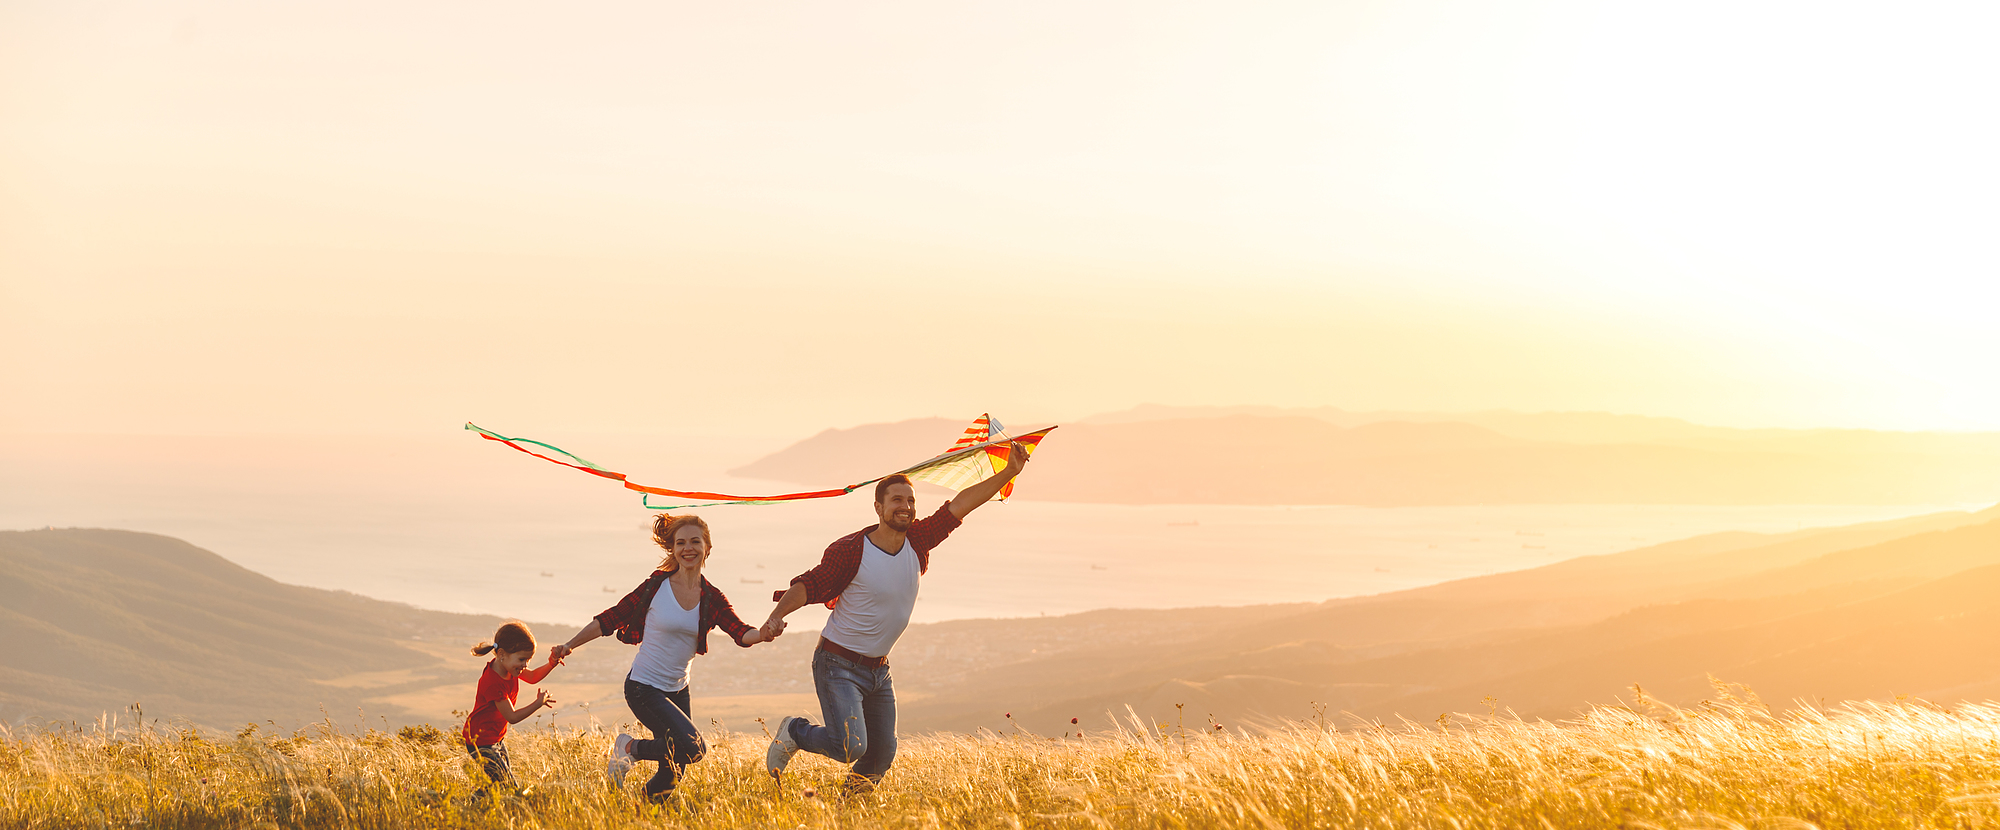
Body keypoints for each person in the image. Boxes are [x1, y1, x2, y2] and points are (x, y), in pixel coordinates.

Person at [759, 442, 1031, 791]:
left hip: (878, 670)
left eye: (911, 501)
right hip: (837, 664)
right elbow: (811, 584)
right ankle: (794, 731)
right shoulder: (852, 550)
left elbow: (962, 504)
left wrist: (1009, 472)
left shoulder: (918, 540)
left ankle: (848, 809)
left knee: (882, 752)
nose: (906, 507)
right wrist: (775, 617)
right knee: (850, 747)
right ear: (878, 507)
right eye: (897, 500)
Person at [548, 514, 781, 801]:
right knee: (694, 749)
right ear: (672, 549)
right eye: (680, 543)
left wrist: (764, 633)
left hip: (678, 689)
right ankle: (630, 748)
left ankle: (638, 809)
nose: (688, 548)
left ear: (708, 547)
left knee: (673, 771)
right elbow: (610, 618)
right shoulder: (656, 587)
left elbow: (741, 632)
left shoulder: (711, 597)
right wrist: (570, 644)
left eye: (695, 541)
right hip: (643, 687)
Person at [462, 620, 561, 790]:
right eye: (522, 659)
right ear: (501, 654)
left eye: (528, 660)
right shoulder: (493, 682)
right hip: (480, 742)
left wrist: (552, 663)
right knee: (508, 787)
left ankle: (470, 805)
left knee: (498, 784)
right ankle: (467, 806)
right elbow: (512, 717)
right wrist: (538, 703)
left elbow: (532, 677)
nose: (525, 665)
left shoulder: (508, 668)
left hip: (494, 739)